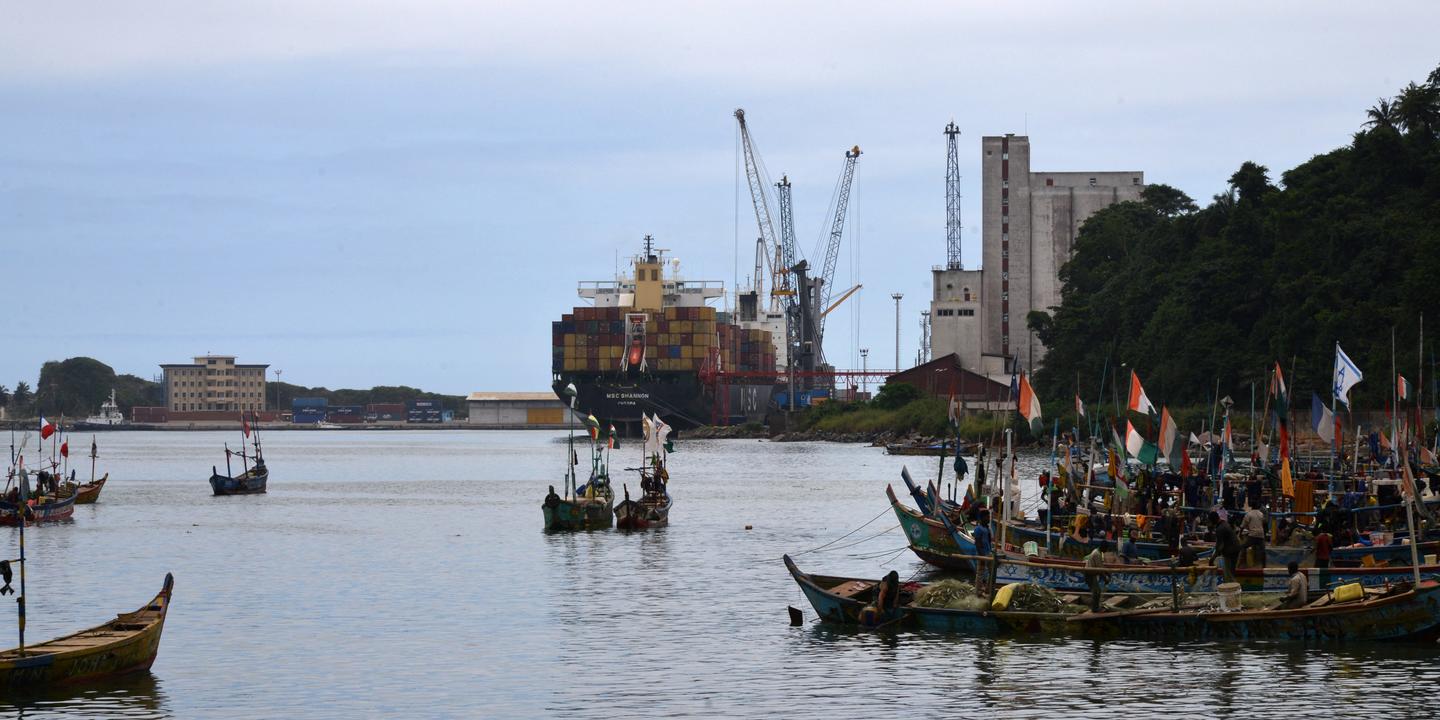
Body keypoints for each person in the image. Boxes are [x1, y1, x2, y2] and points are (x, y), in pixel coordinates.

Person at [1211, 511, 1240, 584]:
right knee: (1231, 572)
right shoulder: (1224, 523)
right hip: (1235, 549)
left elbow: (1220, 546)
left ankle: (1232, 589)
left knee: (1228, 574)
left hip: (1230, 552)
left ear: (1213, 520)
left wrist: (1212, 559)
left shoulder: (1220, 528)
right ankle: (1232, 587)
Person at [973, 509, 994, 596]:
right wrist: (981, 556)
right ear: (982, 518)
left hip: (988, 553)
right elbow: (977, 543)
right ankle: (978, 591)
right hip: (982, 554)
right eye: (987, 517)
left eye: (989, 516)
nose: (989, 518)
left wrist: (991, 551)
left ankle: (987, 589)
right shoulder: (978, 529)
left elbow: (989, 542)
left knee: (992, 571)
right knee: (980, 573)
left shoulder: (987, 529)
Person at [1084, 544, 1110, 612]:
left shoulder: (1097, 552)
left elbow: (1100, 566)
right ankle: (1095, 609)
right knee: (1096, 592)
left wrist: (1107, 572)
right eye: (1106, 549)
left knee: (1096, 591)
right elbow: (1100, 569)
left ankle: (1095, 608)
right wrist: (1105, 578)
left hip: (1091, 573)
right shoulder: (1097, 554)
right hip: (1090, 574)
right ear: (1103, 548)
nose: (1106, 551)